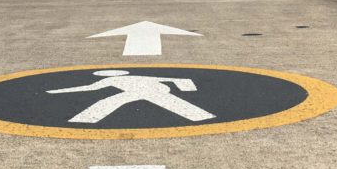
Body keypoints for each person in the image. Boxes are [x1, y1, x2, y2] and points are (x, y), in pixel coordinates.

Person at [47, 70, 215, 124]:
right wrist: (59, 92)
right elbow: (89, 88)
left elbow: (88, 88)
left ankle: (84, 119)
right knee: (108, 101)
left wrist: (188, 89)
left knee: (108, 101)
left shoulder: (111, 80)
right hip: (155, 90)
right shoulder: (111, 80)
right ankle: (199, 115)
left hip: (155, 90)